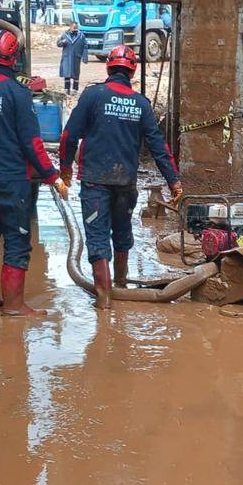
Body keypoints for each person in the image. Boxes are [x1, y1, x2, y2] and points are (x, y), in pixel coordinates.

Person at [59, 45, 183, 310]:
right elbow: (159, 147)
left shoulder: (93, 95)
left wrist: (65, 169)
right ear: (132, 70)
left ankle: (104, 301)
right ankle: (122, 284)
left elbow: (69, 136)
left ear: (109, 67)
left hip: (94, 181)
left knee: (97, 236)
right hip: (126, 181)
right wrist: (173, 181)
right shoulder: (141, 104)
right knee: (122, 230)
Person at [0, 30, 66, 316]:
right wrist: (53, 176)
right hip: (11, 178)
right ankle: (15, 307)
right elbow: (32, 142)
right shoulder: (18, 93)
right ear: (13, 57)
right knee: (17, 240)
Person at [56, 22, 88, 95]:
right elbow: (58, 44)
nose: (75, 29)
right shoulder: (64, 35)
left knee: (76, 74)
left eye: (76, 27)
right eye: (73, 27)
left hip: (76, 57)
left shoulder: (81, 36)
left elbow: (85, 46)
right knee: (67, 73)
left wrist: (85, 57)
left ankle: (75, 89)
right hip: (67, 57)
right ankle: (66, 89)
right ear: (70, 27)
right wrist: (62, 42)